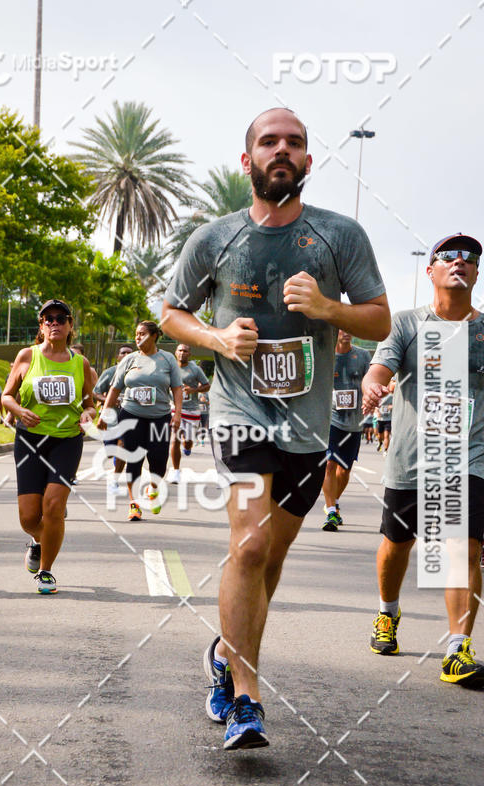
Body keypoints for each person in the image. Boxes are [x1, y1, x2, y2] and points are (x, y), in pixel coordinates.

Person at [162, 107, 389, 749]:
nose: (281, 150)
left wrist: (327, 308)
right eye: (268, 142)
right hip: (240, 410)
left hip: (308, 429)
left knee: (270, 558)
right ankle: (246, 699)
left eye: (294, 143)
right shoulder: (214, 238)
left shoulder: (340, 236)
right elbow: (172, 313)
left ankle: (224, 652)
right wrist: (214, 337)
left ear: (309, 162)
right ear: (247, 160)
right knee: (251, 544)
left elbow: (379, 320)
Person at [363, 232, 484, 687]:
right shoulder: (406, 323)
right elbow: (381, 366)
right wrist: (372, 385)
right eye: (448, 255)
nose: (460, 261)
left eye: (470, 257)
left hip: (469, 456)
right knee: (398, 544)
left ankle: (457, 648)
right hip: (413, 458)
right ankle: (387, 613)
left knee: (463, 545)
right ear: (429, 269)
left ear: (476, 273)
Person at [2, 300, 94, 593]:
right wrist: (18, 410)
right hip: (30, 440)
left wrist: (88, 414)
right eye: (48, 319)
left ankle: (45, 572)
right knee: (29, 517)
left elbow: (90, 403)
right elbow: (6, 396)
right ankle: (39, 540)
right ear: (41, 326)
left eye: (60, 318)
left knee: (53, 507)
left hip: (66, 440)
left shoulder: (80, 363)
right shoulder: (26, 356)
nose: (54, 323)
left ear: (70, 326)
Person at [98, 321, 182, 521]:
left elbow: (177, 388)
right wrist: (105, 413)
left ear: (154, 336)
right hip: (131, 415)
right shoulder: (129, 360)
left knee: (158, 461)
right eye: (136, 334)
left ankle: (154, 489)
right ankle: (134, 504)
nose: (137, 337)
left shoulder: (167, 359)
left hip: (159, 418)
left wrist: (177, 413)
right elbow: (115, 388)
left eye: (142, 334)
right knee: (133, 459)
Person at [321, 330, 371, 531]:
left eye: (351, 328)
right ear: (334, 331)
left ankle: (333, 502)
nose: (347, 332)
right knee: (330, 463)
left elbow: (370, 380)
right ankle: (331, 511)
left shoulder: (363, 356)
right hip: (330, 419)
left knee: (345, 469)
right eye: (342, 328)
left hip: (354, 421)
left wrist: (370, 396)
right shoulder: (325, 356)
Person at [92, 345, 133, 492]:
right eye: (123, 352)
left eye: (130, 353)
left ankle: (115, 480)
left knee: (123, 446)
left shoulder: (137, 374)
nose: (126, 355)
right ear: (118, 356)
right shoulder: (110, 373)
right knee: (111, 451)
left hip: (129, 419)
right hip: (111, 419)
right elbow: (95, 393)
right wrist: (107, 399)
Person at [168, 343, 210, 483]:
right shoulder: (170, 367)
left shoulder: (195, 369)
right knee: (175, 438)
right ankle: (175, 471)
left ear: (189, 354)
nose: (182, 353)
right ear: (175, 352)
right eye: (180, 350)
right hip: (174, 408)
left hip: (192, 410)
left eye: (185, 351)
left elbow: (206, 385)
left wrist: (194, 390)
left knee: (187, 442)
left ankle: (188, 446)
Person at [375, 382, 394, 453]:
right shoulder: (379, 395)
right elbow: (376, 406)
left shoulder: (391, 396)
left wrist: (390, 407)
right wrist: (377, 412)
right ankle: (380, 442)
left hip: (388, 419)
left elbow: (395, 404)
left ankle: (386, 450)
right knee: (380, 436)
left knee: (386, 435)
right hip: (380, 419)